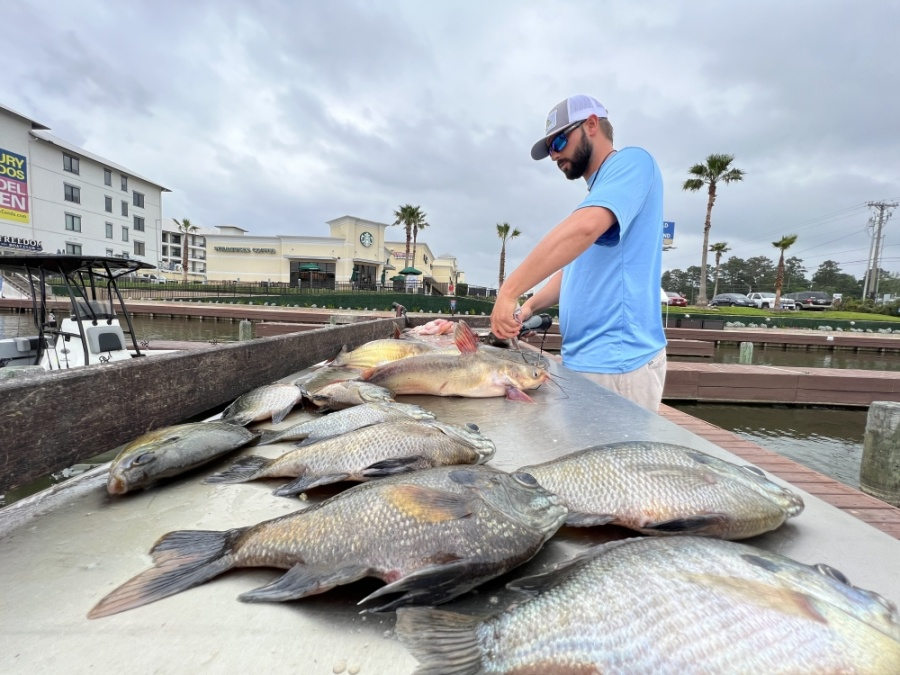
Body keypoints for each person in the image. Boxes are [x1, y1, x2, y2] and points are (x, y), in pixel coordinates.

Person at [490, 95, 667, 412]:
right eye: (549, 149)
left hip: (619, 365)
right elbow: (574, 272)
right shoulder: (601, 198)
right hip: (584, 361)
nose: (554, 154)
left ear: (591, 124)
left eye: (559, 140)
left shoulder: (633, 163)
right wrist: (528, 306)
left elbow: (582, 228)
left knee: (615, 463)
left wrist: (509, 290)